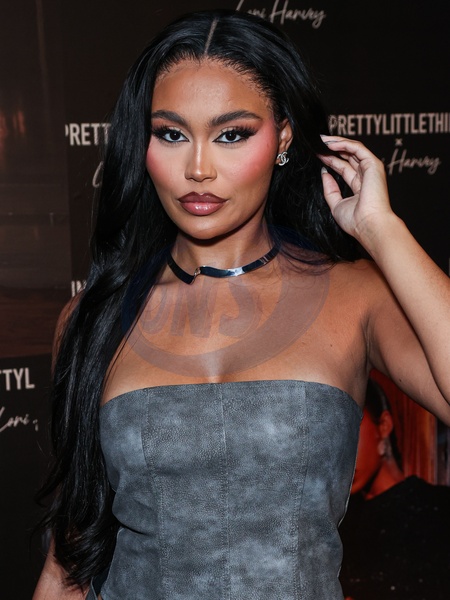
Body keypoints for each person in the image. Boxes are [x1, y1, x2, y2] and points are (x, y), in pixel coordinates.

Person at [33, 9, 450, 600]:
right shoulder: (91, 320)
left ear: (283, 137)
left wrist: (382, 230)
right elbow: (70, 558)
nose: (198, 169)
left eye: (231, 134)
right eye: (171, 134)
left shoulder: (357, 295)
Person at [339, 379, 450, 600]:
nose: (339, 456)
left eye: (347, 433)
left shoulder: (441, 509)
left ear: (384, 425)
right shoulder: (336, 527)